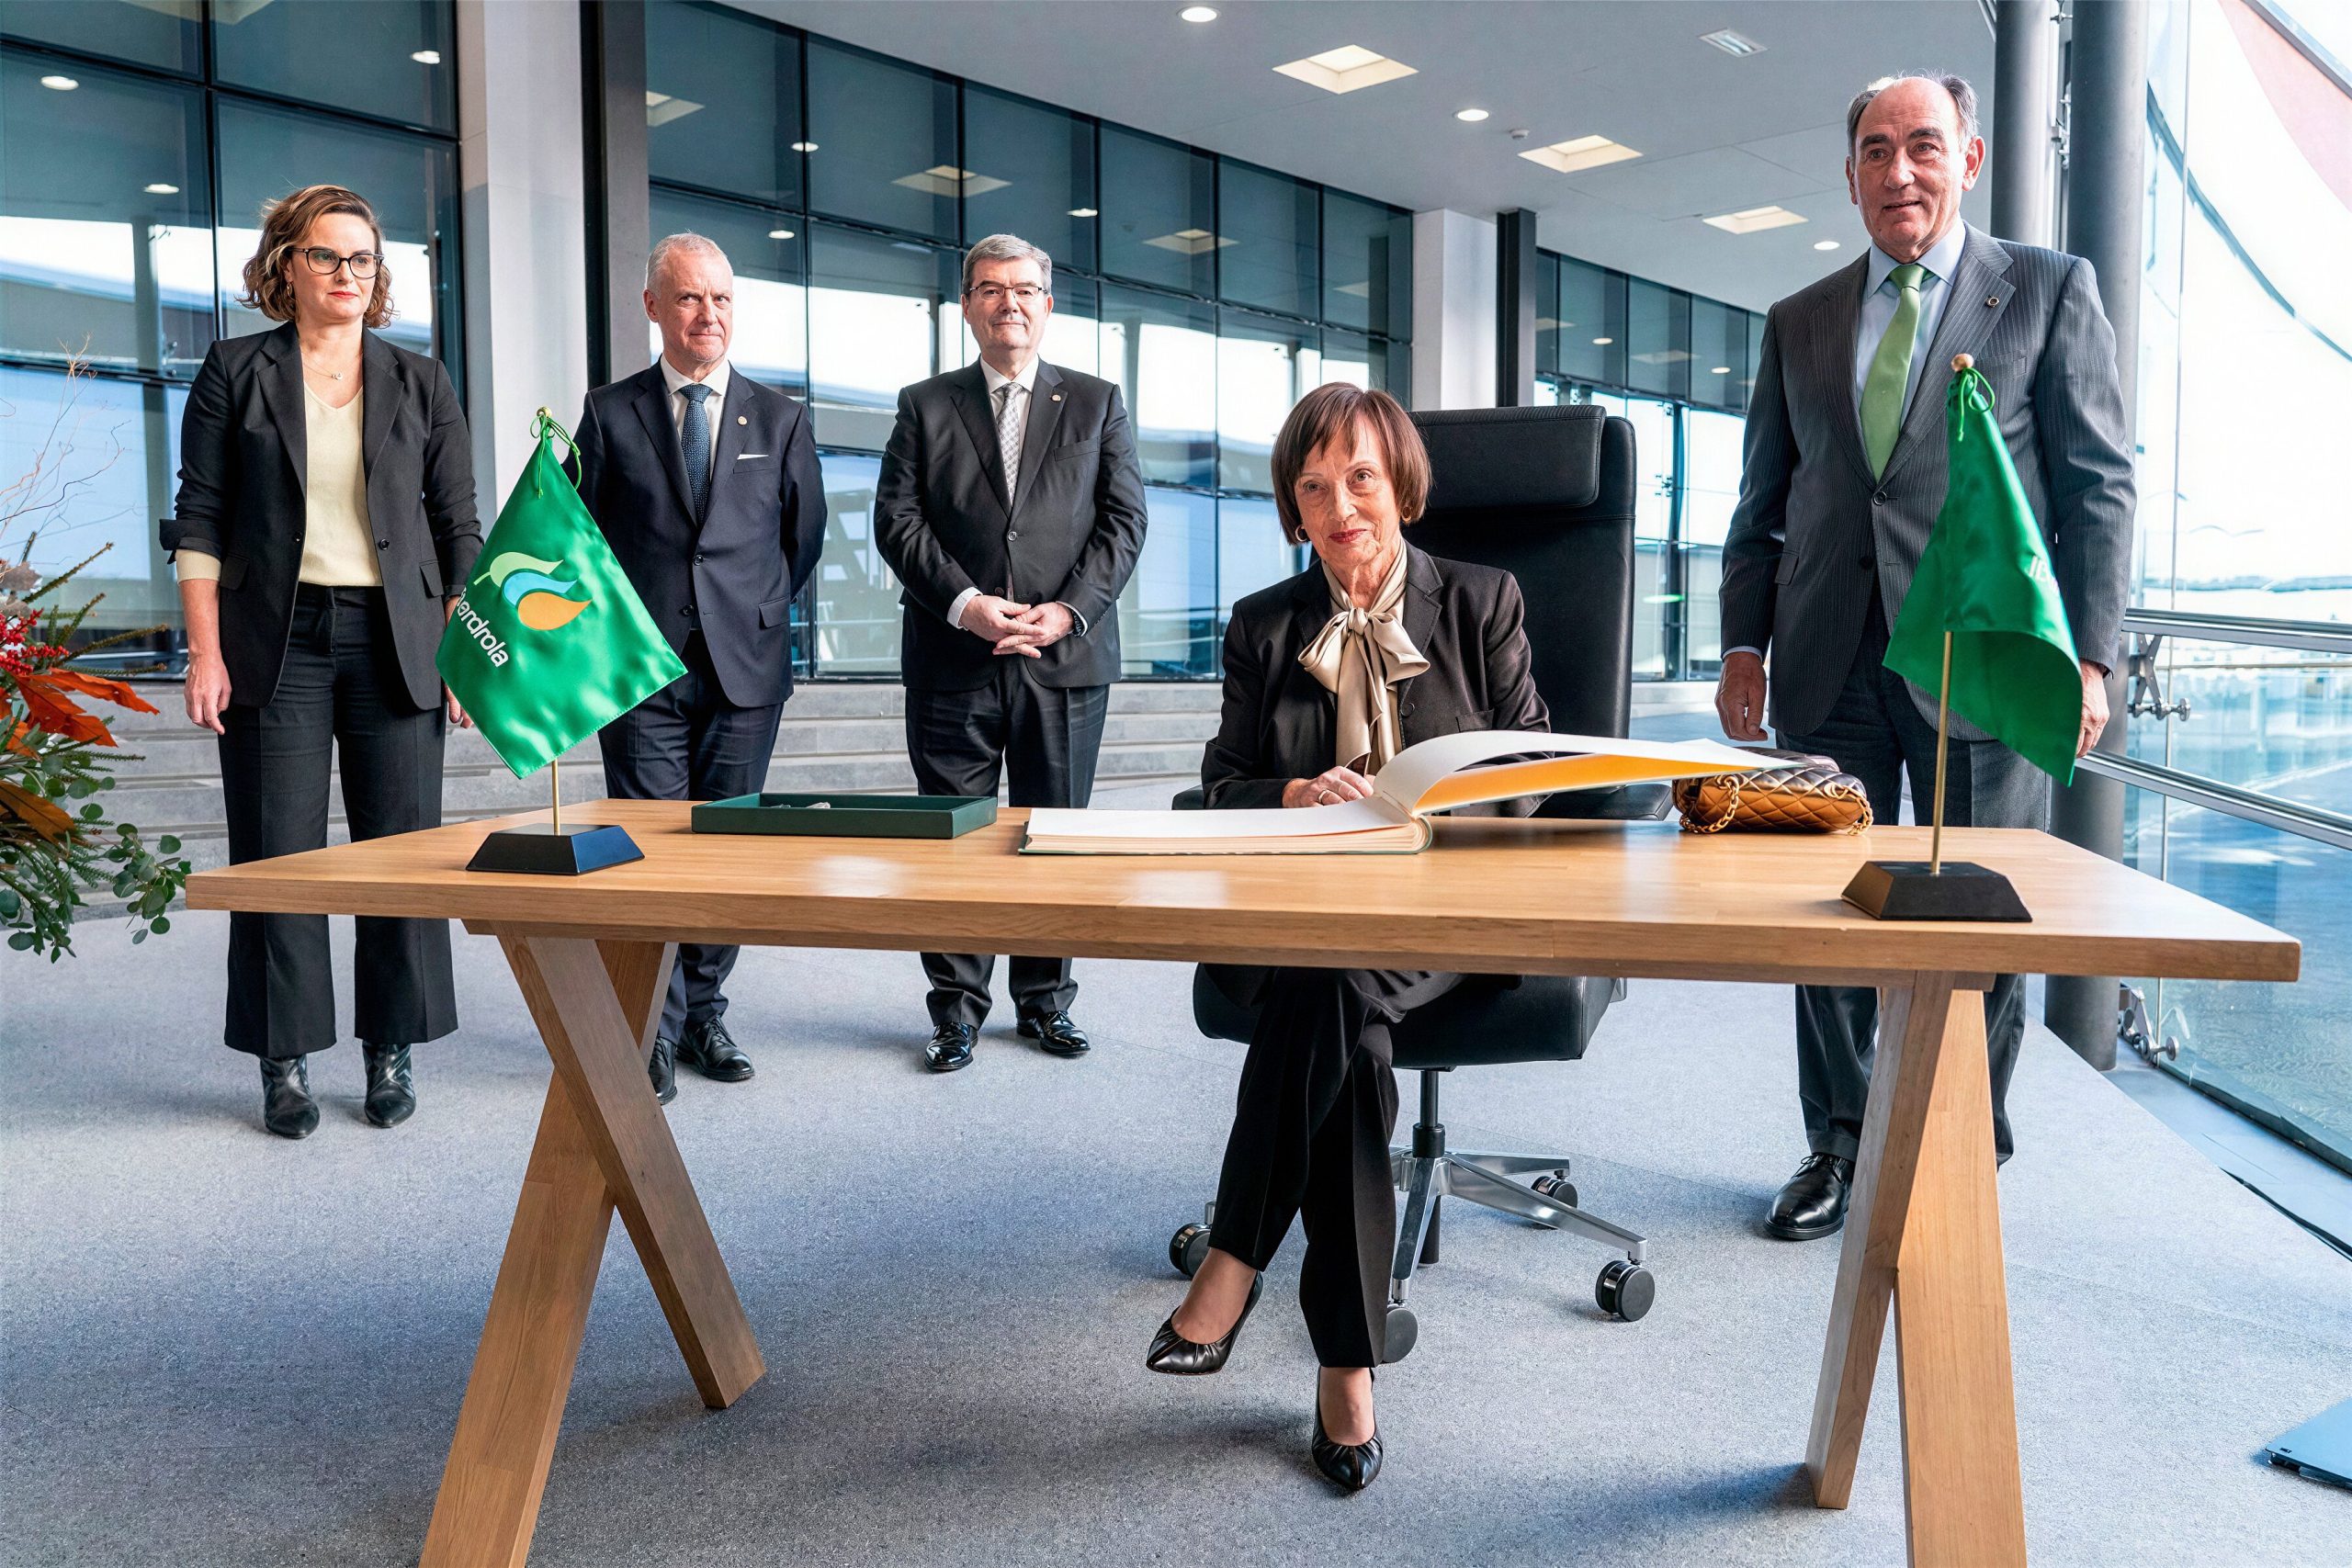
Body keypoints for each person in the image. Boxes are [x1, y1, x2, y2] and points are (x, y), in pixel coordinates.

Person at [1716, 73, 2134, 1240]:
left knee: (1981, 915)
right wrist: (1742, 642)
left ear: (1968, 158)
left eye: (1922, 146)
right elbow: (1763, 501)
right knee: (1823, 913)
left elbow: (2098, 487)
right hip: (1824, 654)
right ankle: (1838, 1144)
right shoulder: (1799, 317)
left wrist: (2090, 660)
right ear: (1849, 172)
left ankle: (1960, 1142)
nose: (1898, 171)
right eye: (1874, 149)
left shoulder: (2044, 289)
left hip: (1977, 655)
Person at [1147, 384, 1549, 1491]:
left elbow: (1535, 767)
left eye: (1360, 478)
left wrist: (1439, 801)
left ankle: (1235, 1260)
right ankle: (1345, 1368)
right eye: (1314, 487)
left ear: (1400, 488)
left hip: (1444, 911)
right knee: (1343, 1020)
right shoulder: (1262, 624)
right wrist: (1288, 794)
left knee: (1330, 988)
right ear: (1294, 507)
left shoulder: (1482, 600)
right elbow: (1216, 788)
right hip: (1301, 917)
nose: (1340, 507)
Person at [163, 184, 481, 1139]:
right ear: (287, 265)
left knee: (401, 850)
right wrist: (204, 651)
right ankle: (286, 1060)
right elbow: (199, 517)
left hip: (398, 641)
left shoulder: (421, 380)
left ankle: (392, 1047)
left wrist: (465, 650)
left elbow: (458, 525)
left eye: (363, 258)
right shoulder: (235, 370)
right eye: (327, 255)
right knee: (278, 852)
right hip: (276, 638)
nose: (348, 273)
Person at [875, 234, 1148, 1073]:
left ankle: (1045, 1001)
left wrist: (1069, 610)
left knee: (1053, 834)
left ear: (1048, 303)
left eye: (1025, 288)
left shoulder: (1097, 402)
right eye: (991, 289)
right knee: (954, 840)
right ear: (967, 305)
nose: (1010, 303)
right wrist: (967, 605)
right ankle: (956, 1011)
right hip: (953, 658)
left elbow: (1125, 521)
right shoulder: (924, 404)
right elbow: (897, 521)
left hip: (1064, 661)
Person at [571, 232, 826, 1104]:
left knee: (725, 853)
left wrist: (743, 612)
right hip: (638, 669)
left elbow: (801, 540)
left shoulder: (781, 417)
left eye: (720, 298)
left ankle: (705, 1013)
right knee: (648, 851)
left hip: (744, 668)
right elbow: (577, 535)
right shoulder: (608, 413)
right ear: (653, 307)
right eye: (687, 297)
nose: (706, 314)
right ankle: (655, 1024)